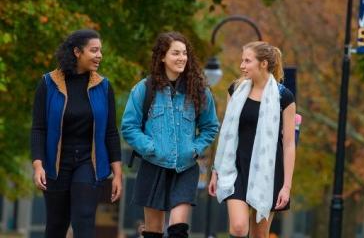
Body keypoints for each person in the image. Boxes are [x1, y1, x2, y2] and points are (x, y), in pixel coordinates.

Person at [121, 32, 219, 238]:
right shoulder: (144, 89)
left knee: (178, 229)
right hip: (153, 166)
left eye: (184, 53)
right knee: (153, 231)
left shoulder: (199, 91)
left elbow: (210, 126)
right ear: (162, 57)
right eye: (175, 53)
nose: (181, 58)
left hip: (185, 168)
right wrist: (150, 148)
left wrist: (195, 149)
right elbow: (129, 127)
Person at [30, 29, 122, 238]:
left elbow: (110, 132)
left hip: (88, 162)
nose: (100, 56)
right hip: (56, 163)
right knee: (56, 224)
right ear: (77, 52)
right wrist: (38, 166)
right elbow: (38, 129)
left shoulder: (104, 86)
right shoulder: (48, 84)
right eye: (94, 50)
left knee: (84, 218)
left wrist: (117, 173)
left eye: (100, 51)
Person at [208, 41, 296, 238]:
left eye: (247, 61)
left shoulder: (284, 97)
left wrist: (286, 186)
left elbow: (289, 144)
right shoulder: (235, 90)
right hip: (236, 167)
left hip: (269, 171)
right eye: (242, 61)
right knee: (239, 228)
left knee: (259, 234)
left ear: (263, 64)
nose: (242, 66)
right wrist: (216, 171)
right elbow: (226, 133)